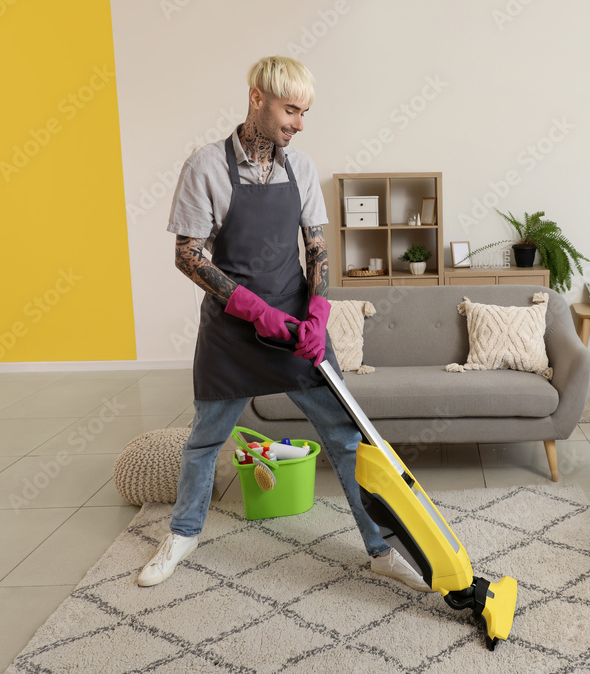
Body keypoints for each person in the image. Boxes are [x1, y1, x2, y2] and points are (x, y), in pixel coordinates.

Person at [137, 56, 429, 592]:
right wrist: (255, 311)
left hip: (298, 329)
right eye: (291, 110)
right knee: (205, 441)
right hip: (232, 330)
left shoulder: (299, 168)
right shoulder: (205, 166)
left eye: (305, 112)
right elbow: (188, 254)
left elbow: (317, 248)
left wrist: (316, 313)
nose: (299, 123)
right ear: (257, 99)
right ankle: (182, 533)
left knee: (345, 440)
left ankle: (379, 548)